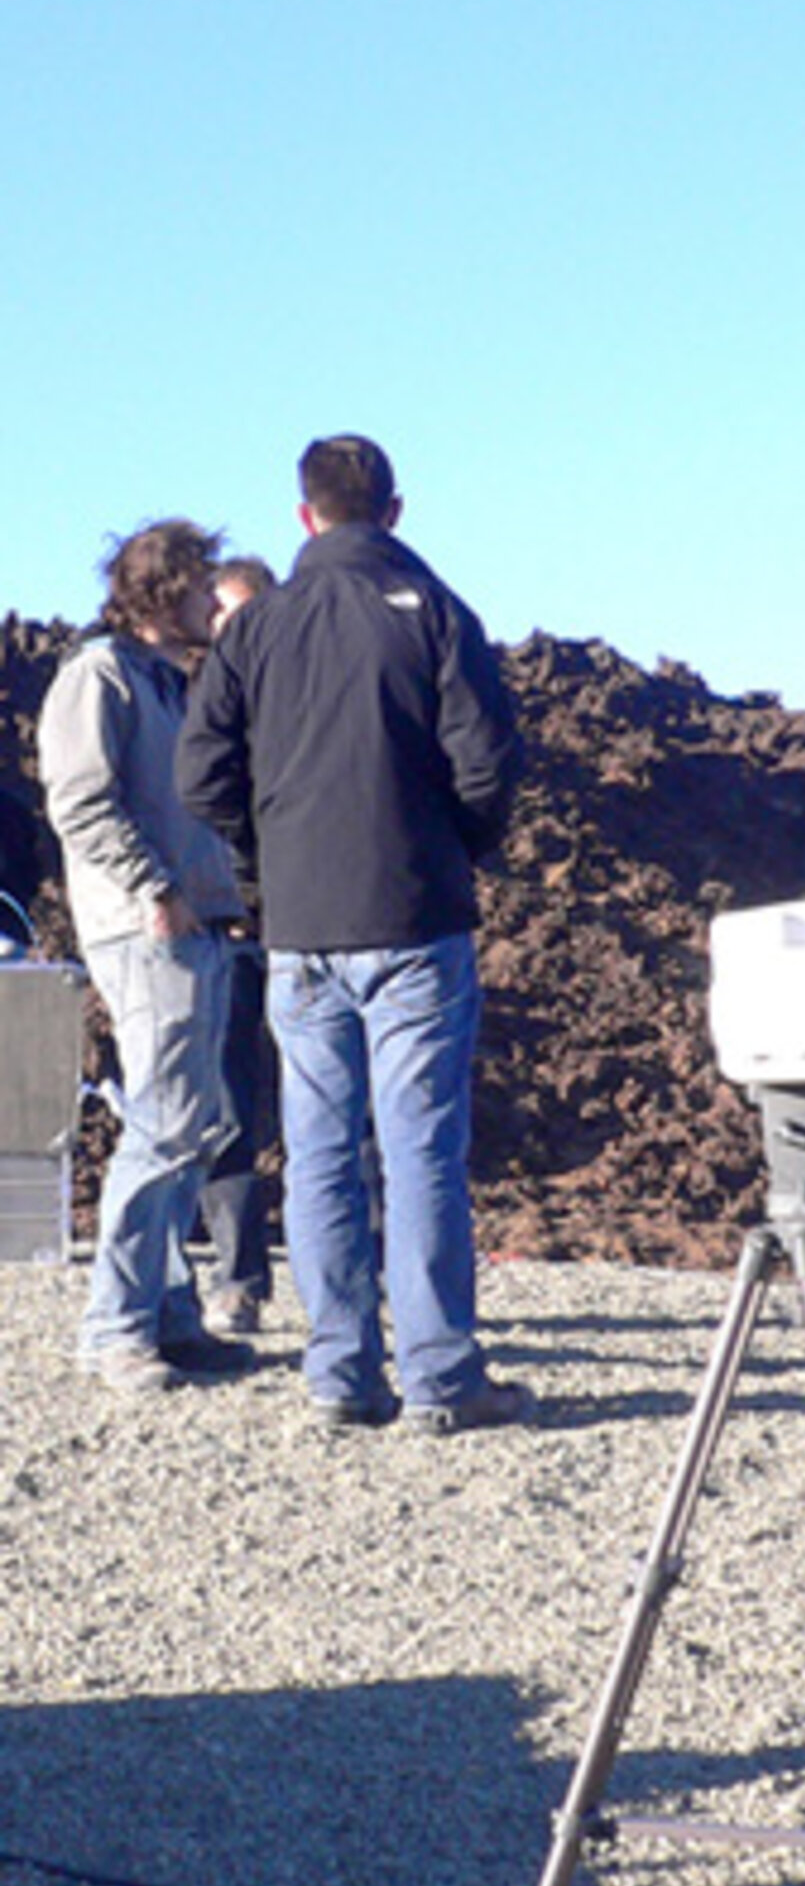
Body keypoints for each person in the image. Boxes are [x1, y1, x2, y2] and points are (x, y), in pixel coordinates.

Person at [178, 436, 529, 1432]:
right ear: (396, 509)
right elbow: (490, 764)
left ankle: (339, 1375)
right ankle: (442, 1378)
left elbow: (201, 774)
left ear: (305, 516)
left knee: (321, 1148)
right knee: (420, 1149)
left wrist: (262, 865)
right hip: (415, 920)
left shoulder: (258, 628)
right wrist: (449, 849)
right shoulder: (437, 614)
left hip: (299, 928)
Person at [36, 520, 251, 1392]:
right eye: (203, 588)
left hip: (191, 925)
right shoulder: (99, 678)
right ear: (163, 593)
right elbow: (82, 802)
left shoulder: (168, 684)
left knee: (191, 1128)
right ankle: (115, 1327)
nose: (214, 601)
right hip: (146, 928)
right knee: (162, 1126)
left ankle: (168, 1314)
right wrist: (155, 886)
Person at [195, 556, 281, 1335]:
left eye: (243, 613)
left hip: (301, 928)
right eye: (219, 615)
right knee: (225, 1112)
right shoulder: (192, 710)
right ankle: (238, 1278)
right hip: (224, 934)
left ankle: (364, 1274)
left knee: (342, 1110)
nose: (230, 629)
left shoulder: (302, 703)